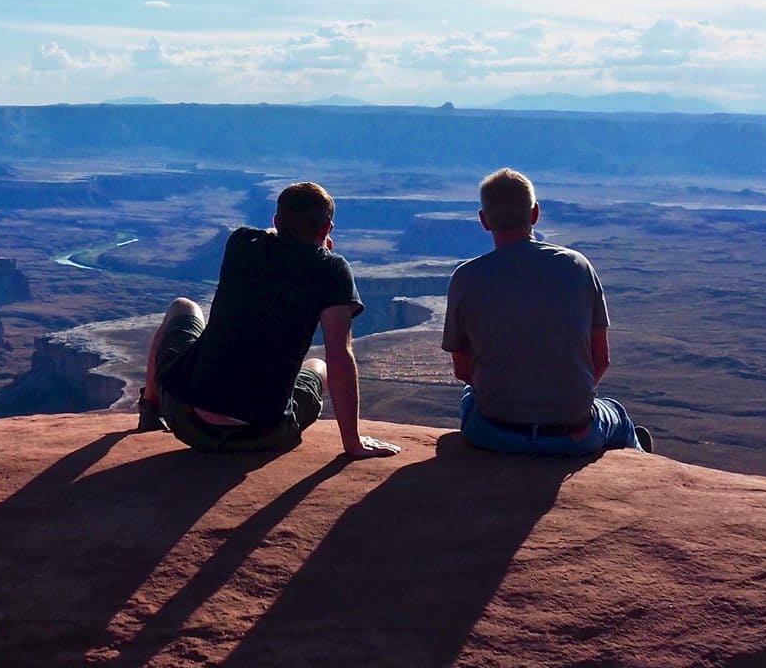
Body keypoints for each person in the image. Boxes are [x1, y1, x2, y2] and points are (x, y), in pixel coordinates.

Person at [137, 181, 401, 459]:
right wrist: (353, 443)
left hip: (189, 421)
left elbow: (274, 239)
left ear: (276, 220)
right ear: (327, 230)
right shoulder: (332, 269)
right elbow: (340, 357)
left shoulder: (240, 242)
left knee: (183, 307)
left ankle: (151, 410)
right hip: (266, 433)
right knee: (318, 366)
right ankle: (348, 439)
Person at [443, 168, 650, 456]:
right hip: (573, 436)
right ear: (535, 213)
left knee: (469, 399)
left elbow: (463, 370)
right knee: (616, 414)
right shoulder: (577, 267)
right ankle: (641, 460)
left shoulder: (466, 278)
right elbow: (600, 360)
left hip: (493, 433)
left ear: (484, 221)